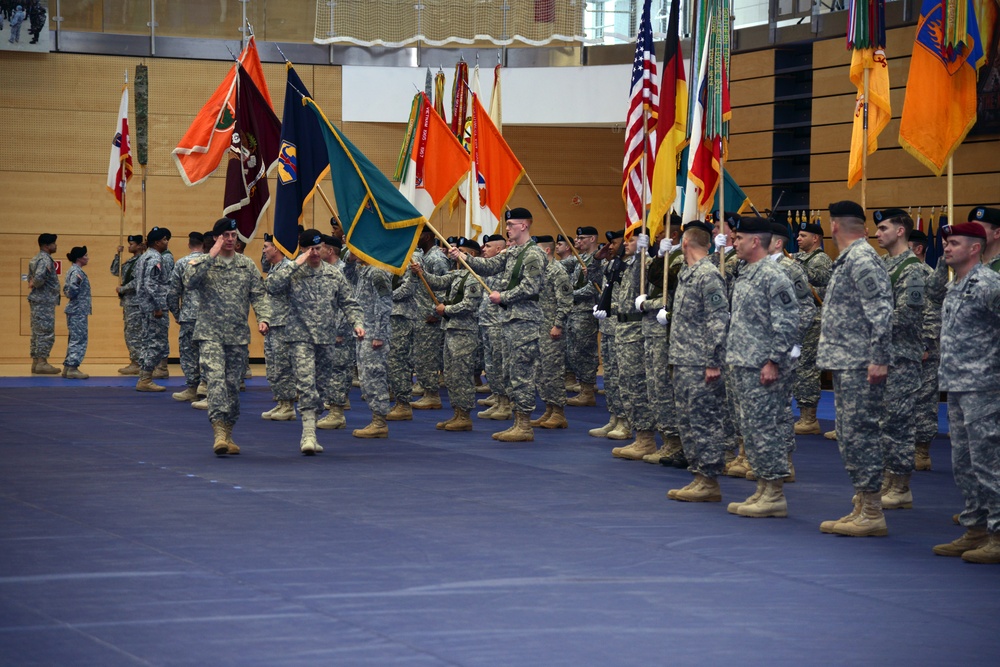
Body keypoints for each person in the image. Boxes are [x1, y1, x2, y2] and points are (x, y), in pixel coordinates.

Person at [817, 201, 894, 537]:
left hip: (860, 362)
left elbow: (881, 310)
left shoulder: (861, 258)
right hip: (848, 362)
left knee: (861, 434)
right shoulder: (850, 259)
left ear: (833, 226)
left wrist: (879, 357)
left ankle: (873, 511)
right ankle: (863, 503)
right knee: (851, 435)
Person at [932, 217, 1000, 563]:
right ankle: (976, 528)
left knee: (989, 463)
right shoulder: (955, 285)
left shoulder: (990, 284)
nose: (946, 246)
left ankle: (999, 534)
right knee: (964, 463)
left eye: (954, 243)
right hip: (957, 387)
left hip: (985, 387)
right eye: (946, 242)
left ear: (975, 248)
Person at [724, 216, 799, 518]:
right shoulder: (747, 272)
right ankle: (763, 489)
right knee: (752, 430)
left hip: (763, 366)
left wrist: (774, 361)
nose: (734, 242)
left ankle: (774, 493)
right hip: (744, 363)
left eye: (739, 237)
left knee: (765, 429)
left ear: (755, 241)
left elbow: (787, 321)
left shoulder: (773, 275)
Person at [450, 207, 546, 441]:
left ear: (524, 225)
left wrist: (503, 297)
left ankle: (524, 426)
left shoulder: (533, 254)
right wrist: (464, 257)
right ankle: (517, 421)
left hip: (525, 321)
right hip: (510, 321)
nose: (507, 229)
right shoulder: (513, 253)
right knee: (511, 372)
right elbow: (489, 265)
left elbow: (530, 287)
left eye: (511, 225)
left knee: (522, 374)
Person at [268, 230, 364, 454]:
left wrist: (357, 322)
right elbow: (271, 286)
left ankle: (312, 422)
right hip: (299, 337)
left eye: (318, 248)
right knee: (305, 383)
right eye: (310, 248)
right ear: (302, 249)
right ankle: (308, 434)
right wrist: (296, 263)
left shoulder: (333, 274)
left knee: (320, 388)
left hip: (326, 338)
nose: (315, 253)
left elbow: (348, 302)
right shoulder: (292, 272)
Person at [185, 218, 271, 456]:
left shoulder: (246, 265)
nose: (231, 239)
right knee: (215, 381)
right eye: (226, 235)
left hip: (237, 336)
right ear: (216, 237)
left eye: (234, 235)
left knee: (233, 386)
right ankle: (219, 431)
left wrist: (264, 318)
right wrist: (209, 255)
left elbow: (259, 295)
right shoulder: (203, 263)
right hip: (210, 334)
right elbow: (190, 282)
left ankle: (228, 430)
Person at [665, 220, 730, 502]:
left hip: (701, 362)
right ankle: (698, 474)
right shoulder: (687, 273)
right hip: (683, 360)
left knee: (704, 421)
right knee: (688, 421)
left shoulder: (708, 275)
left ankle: (709, 479)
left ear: (686, 243)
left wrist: (714, 360)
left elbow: (718, 320)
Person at [873, 208, 926, 510]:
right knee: (882, 422)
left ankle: (901, 484)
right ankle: (886, 479)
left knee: (898, 423)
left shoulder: (912, 269)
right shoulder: (882, 264)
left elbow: (907, 314)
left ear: (900, 231)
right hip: (881, 355)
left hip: (902, 358)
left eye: (883, 228)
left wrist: (870, 319)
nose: (877, 234)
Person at [412, 237, 484, 431]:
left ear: (472, 255)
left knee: (462, 374)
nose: (454, 253)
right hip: (451, 330)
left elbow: (470, 305)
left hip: (464, 332)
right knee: (451, 375)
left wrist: (447, 310)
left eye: (460, 251)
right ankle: (457, 413)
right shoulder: (458, 274)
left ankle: (465, 415)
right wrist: (422, 272)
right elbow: (438, 282)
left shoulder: (475, 277)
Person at [792, 218, 832, 434]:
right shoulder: (798, 258)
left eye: (803, 236)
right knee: (799, 366)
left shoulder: (821, 259)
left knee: (808, 367)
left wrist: (799, 269)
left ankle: (809, 418)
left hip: (814, 319)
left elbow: (820, 278)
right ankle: (801, 410)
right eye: (798, 235)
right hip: (798, 318)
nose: (798, 238)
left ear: (815, 238)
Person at [531, 235, 573, 429]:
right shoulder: (538, 271)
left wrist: (558, 324)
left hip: (551, 329)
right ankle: (549, 408)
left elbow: (565, 300)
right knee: (540, 372)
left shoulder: (557, 271)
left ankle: (558, 412)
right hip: (539, 328)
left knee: (553, 371)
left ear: (546, 251)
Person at [351, 257, 393, 438]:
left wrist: (379, 335)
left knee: (375, 376)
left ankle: (379, 421)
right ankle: (376, 419)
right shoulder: (363, 271)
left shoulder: (377, 272)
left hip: (373, 335)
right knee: (366, 376)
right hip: (364, 332)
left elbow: (383, 305)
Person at [410, 229, 449, 410]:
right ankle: (427, 391)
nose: (415, 240)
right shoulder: (423, 256)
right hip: (420, 313)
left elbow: (443, 286)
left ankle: (432, 394)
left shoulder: (436, 259)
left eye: (418, 235)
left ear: (426, 236)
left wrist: (436, 312)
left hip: (430, 316)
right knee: (421, 357)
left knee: (428, 357)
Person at [260, 233, 297, 421]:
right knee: (274, 366)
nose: (264, 251)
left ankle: (288, 404)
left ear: (276, 247)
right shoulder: (274, 268)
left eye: (266, 247)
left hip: (284, 324)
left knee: (283, 366)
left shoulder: (288, 267)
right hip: (273, 323)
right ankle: (281, 402)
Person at [564, 226, 601, 408]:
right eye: (577, 238)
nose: (577, 241)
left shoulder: (597, 259)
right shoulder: (580, 260)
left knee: (585, 350)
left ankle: (587, 390)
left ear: (592, 239)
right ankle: (583, 386)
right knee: (574, 350)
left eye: (581, 238)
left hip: (586, 310)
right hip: (575, 310)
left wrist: (570, 295)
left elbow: (593, 287)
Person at [167, 232, 206, 402]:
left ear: (189, 245)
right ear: (204, 245)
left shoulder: (182, 263)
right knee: (208, 352)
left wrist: (177, 313)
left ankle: (192, 388)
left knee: (189, 353)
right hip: (209, 317)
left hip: (189, 316)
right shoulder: (210, 262)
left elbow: (172, 293)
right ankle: (206, 387)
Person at [476, 234, 511, 419]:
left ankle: (506, 404)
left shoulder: (505, 267)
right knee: (490, 366)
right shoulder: (488, 269)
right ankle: (497, 399)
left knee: (500, 364)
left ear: (499, 249)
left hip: (498, 323)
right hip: (486, 322)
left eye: (488, 246)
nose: (484, 249)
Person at [133, 227, 172, 392]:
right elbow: (151, 284)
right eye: (164, 239)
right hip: (155, 308)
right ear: (157, 242)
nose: (166, 242)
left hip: (145, 306)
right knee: (157, 343)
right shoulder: (155, 258)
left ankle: (144, 376)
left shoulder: (143, 257)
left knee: (147, 342)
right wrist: (157, 306)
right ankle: (146, 378)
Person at [111, 235, 145, 375]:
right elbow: (115, 271)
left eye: (132, 244)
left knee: (134, 334)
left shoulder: (141, 261)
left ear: (139, 246)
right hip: (129, 303)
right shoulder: (130, 261)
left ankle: (137, 363)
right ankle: (135, 361)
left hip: (136, 303)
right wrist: (118, 254)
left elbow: (138, 281)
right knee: (130, 333)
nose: (129, 246)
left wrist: (123, 289)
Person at [27, 233, 60, 374]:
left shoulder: (35, 259)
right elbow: (38, 278)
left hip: (38, 300)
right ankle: (42, 362)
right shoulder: (46, 260)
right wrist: (35, 283)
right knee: (45, 331)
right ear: (47, 246)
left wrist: (32, 282)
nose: (56, 245)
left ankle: (36, 362)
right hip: (44, 301)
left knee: (37, 332)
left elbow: (30, 276)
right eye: (54, 243)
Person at [61, 246, 91, 379]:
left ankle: (68, 367)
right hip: (78, 309)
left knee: (74, 338)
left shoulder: (73, 270)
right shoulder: (76, 272)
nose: (87, 258)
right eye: (85, 255)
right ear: (79, 258)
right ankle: (72, 367)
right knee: (78, 339)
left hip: (76, 309)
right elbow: (71, 289)